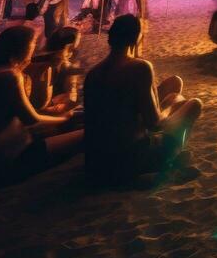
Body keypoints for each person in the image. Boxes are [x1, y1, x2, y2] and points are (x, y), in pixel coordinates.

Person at [83, 15, 201, 184]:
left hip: (98, 163)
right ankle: (169, 161)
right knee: (194, 104)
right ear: (137, 38)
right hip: (130, 160)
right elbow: (154, 123)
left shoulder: (93, 74)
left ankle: (163, 157)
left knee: (175, 83)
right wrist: (172, 107)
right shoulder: (140, 68)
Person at [0, 26, 82, 185]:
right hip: (5, 160)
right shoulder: (10, 76)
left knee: (66, 127)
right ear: (21, 48)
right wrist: (64, 118)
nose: (35, 49)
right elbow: (31, 118)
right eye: (33, 43)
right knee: (85, 134)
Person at [26, 26, 82, 110]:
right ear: (68, 46)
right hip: (41, 109)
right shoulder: (42, 65)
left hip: (47, 106)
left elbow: (71, 95)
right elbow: (40, 101)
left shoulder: (38, 59)